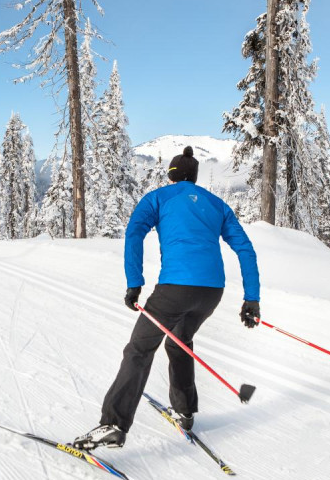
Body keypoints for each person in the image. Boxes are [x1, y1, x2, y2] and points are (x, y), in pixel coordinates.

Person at [73, 146, 261, 450]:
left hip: (175, 288)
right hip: (211, 292)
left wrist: (135, 283)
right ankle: (184, 411)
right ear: (194, 177)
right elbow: (245, 249)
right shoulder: (216, 204)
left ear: (172, 174)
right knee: (180, 340)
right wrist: (252, 298)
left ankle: (113, 424)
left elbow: (134, 233)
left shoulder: (159, 198)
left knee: (139, 349)